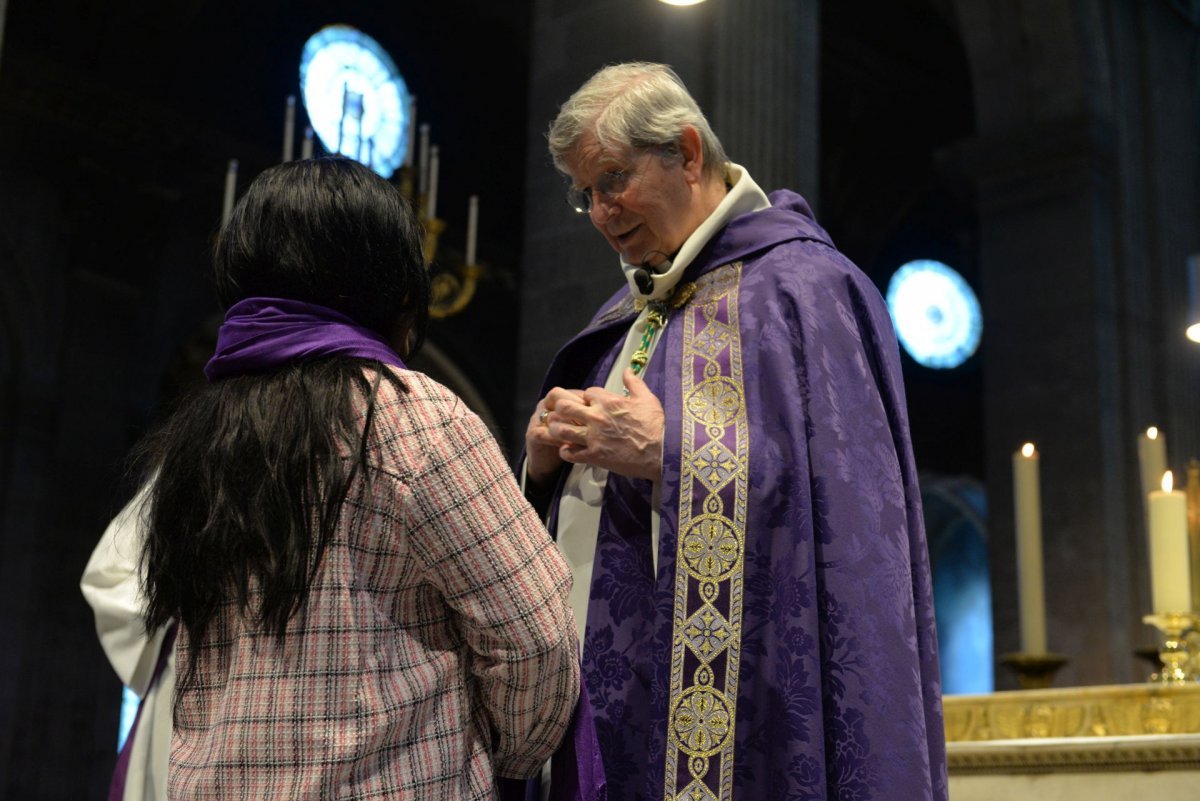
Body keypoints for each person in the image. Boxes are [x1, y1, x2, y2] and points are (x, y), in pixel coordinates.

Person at [524, 62, 947, 801]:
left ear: (688, 153)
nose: (600, 211)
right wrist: (541, 468)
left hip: (747, 719)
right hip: (598, 719)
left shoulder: (804, 291)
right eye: (585, 193)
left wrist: (672, 453)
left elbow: (850, 516)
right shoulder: (619, 315)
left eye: (614, 180)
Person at [124, 156, 579, 800]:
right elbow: (538, 638)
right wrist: (502, 757)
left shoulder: (194, 439)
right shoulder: (415, 419)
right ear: (392, 285)